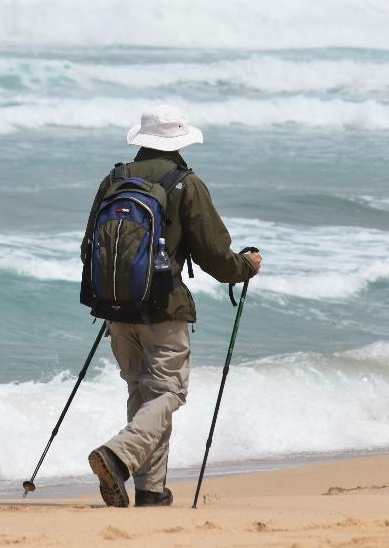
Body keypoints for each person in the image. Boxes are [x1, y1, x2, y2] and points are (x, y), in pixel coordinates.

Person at [81, 105, 262, 508]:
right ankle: (118, 455)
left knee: (143, 394)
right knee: (169, 394)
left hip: (115, 308)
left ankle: (151, 491)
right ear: (180, 142)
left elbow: (86, 249)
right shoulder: (185, 183)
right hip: (164, 308)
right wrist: (245, 267)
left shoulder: (114, 179)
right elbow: (216, 256)